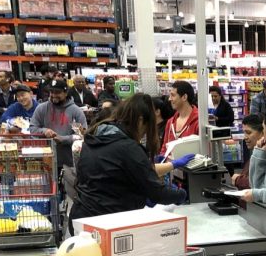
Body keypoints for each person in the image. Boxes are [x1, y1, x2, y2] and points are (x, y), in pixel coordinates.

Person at [71, 94, 189, 223]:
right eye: (147, 125)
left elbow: (113, 177)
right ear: (140, 120)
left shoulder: (95, 137)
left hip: (80, 216)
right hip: (105, 222)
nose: (145, 132)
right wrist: (181, 195)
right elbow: (157, 193)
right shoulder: (127, 147)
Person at [29, 78, 87, 168]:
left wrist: (63, 139)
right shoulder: (42, 108)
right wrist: (44, 131)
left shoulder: (75, 111)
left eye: (57, 92)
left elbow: (82, 135)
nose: (53, 95)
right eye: (51, 92)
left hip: (69, 162)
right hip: (46, 160)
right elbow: (32, 128)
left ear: (66, 93)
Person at [159, 80, 199, 157]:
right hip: (170, 167)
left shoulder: (199, 121)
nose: (169, 99)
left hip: (193, 168)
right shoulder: (170, 122)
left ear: (184, 97)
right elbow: (164, 149)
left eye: (173, 95)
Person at [232, 114, 265, 190]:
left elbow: (258, 185)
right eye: (244, 133)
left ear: (263, 133)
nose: (245, 137)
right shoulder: (256, 152)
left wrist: (238, 180)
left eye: (249, 133)